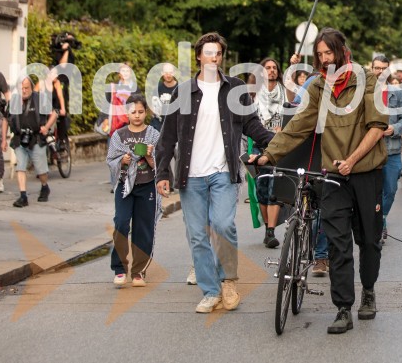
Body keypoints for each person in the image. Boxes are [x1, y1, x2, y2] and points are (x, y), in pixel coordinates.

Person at [258, 28, 387, 334]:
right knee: (338, 244)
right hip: (332, 177)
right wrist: (269, 154)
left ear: (342, 51)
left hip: (365, 171)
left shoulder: (368, 79)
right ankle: (343, 308)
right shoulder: (317, 87)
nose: (325, 59)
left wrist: (352, 160)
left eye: (329, 53)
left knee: (369, 240)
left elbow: (378, 126)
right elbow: (301, 124)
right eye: (320, 55)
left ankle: (368, 290)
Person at [155, 32, 274, 314]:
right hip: (190, 177)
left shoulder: (234, 89)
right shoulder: (182, 92)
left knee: (222, 225)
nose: (214, 57)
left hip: (223, 173)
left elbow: (252, 125)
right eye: (208, 52)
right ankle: (210, 291)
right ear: (199, 56)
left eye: (218, 53)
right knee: (197, 236)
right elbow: (167, 136)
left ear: (221, 56)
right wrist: (162, 173)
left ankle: (228, 281)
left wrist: (279, 143)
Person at [107, 94, 160, 286]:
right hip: (124, 186)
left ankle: (139, 272)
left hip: (147, 186)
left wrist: (149, 156)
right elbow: (110, 160)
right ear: (126, 113)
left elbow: (161, 162)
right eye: (133, 112)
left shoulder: (153, 134)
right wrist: (123, 160)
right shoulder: (118, 136)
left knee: (143, 229)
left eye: (140, 111)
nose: (137, 115)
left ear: (146, 112)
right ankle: (120, 268)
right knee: (121, 223)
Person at [372, 55, 402, 243]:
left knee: (390, 190)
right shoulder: (363, 93)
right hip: (368, 151)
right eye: (377, 68)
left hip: (392, 150)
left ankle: (382, 217)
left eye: (384, 68)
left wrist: (394, 129)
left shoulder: (398, 93)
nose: (380, 71)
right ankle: (375, 225)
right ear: (372, 69)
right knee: (372, 191)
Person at [254, 57, 287, 249]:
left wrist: (284, 129)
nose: (272, 71)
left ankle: (271, 231)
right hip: (260, 146)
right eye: (268, 68)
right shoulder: (253, 94)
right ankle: (267, 226)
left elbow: (293, 113)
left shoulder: (286, 92)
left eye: (275, 67)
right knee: (262, 189)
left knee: (275, 190)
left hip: (280, 147)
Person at [9, 77, 58, 207]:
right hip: (20, 138)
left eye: (26, 88)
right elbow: (5, 119)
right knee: (20, 167)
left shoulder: (39, 99)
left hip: (36, 139)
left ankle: (44, 186)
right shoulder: (14, 101)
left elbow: (54, 114)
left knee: (41, 170)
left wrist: (46, 127)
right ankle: (23, 196)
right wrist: (4, 138)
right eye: (21, 88)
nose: (24, 91)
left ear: (31, 88)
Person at [150, 63, 178, 132]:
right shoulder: (157, 89)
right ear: (162, 73)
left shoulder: (180, 88)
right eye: (166, 72)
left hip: (175, 127)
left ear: (174, 73)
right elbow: (153, 108)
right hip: (159, 126)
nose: (168, 75)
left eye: (170, 72)